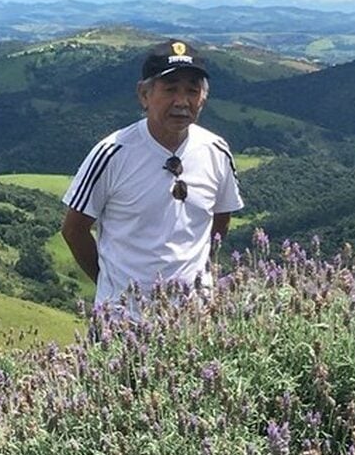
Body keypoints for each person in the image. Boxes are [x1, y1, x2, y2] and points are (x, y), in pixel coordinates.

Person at [61, 39, 244, 316]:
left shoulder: (216, 151)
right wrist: (109, 287)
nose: (182, 102)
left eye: (192, 91)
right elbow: (74, 230)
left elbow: (221, 216)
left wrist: (203, 272)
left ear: (203, 99)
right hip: (123, 321)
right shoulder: (113, 153)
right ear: (144, 95)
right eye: (170, 89)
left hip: (195, 317)